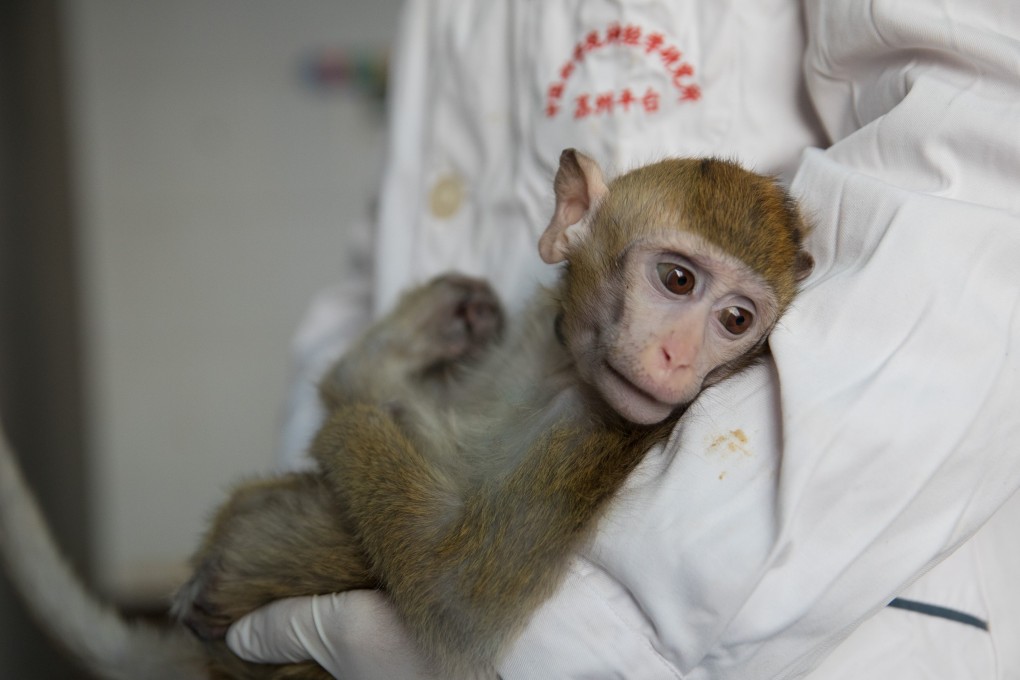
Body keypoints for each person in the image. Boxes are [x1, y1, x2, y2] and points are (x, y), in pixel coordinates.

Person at [226, 1, 1020, 677]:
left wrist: (596, 642)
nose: (677, 353)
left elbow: (978, 186)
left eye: (735, 320)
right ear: (573, 217)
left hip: (782, 620)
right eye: (675, 281)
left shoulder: (606, 410)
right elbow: (391, 247)